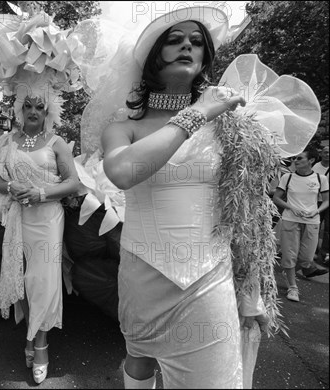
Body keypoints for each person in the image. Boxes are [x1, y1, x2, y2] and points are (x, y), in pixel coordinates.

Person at [82, 5, 322, 388]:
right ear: (152, 59)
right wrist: (197, 112)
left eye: (196, 42)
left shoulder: (233, 128)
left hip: (208, 277)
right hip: (142, 273)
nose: (186, 47)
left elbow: (247, 216)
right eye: (173, 40)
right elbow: (124, 172)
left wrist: (250, 293)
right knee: (139, 360)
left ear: (205, 57)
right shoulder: (123, 128)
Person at [0, 6, 82, 384]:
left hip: (46, 218)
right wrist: (12, 188)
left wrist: (41, 192)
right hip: (16, 218)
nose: (33, 112)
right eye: (28, 105)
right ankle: (29, 333)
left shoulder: (57, 142)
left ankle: (40, 344)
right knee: (20, 278)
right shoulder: (8, 140)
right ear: (19, 107)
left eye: (40, 107)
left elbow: (73, 183)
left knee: (42, 279)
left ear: (49, 110)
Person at [273, 147, 329, 302]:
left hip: (312, 220)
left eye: (299, 158)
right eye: (294, 158)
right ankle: (292, 287)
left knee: (306, 258)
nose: (294, 161)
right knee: (289, 255)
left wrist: (316, 211)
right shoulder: (287, 177)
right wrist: (291, 207)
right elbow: (276, 198)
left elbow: (326, 201)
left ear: (311, 160)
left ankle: (289, 270)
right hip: (290, 219)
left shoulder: (320, 179)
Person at [312, 146, 329, 265]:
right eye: (326, 152)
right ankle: (312, 251)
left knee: (328, 229)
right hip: (317, 200)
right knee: (315, 226)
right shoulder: (315, 167)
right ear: (321, 154)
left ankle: (324, 254)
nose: (328, 154)